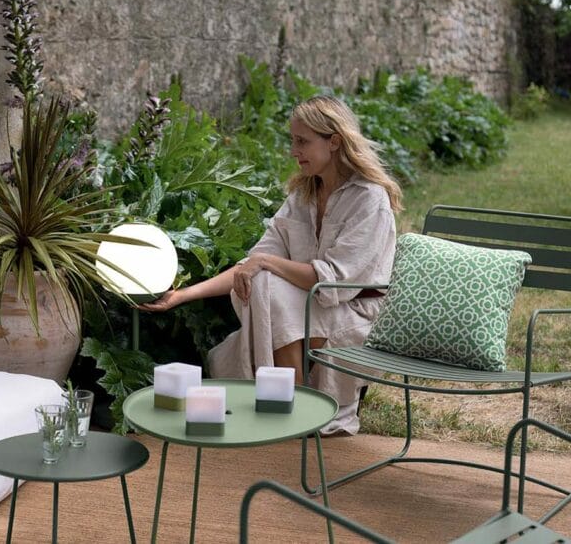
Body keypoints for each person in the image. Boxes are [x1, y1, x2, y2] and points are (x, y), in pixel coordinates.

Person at [139, 95, 402, 435]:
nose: (294, 151)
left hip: (355, 310)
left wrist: (263, 263)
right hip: (308, 309)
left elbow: (332, 280)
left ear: (334, 141)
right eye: (293, 141)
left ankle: (292, 402)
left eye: (302, 141)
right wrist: (182, 295)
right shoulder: (303, 196)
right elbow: (251, 264)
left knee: (267, 283)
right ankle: (291, 400)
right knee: (261, 281)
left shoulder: (370, 199)